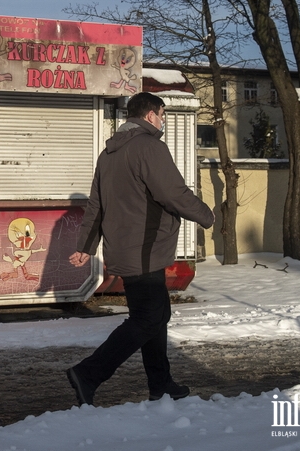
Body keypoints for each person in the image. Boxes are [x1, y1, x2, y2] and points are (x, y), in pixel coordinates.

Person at [66, 92, 214, 407]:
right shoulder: (149, 147)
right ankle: (89, 373)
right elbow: (173, 193)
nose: (162, 121)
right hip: (145, 248)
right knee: (148, 318)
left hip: (129, 248)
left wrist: (85, 246)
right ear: (150, 115)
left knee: (156, 315)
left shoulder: (109, 153)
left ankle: (161, 384)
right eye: (162, 115)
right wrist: (208, 216)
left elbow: (97, 205)